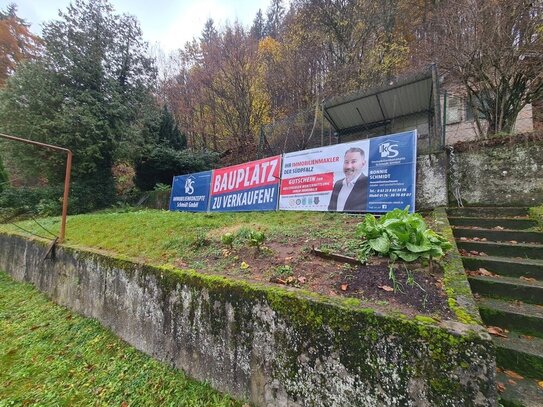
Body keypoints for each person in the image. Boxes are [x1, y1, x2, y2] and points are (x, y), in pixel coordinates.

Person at [328, 147, 368, 212]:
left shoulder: (368, 184)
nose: (348, 166)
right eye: (346, 162)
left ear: (363, 164)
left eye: (353, 162)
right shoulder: (338, 184)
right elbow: (331, 210)